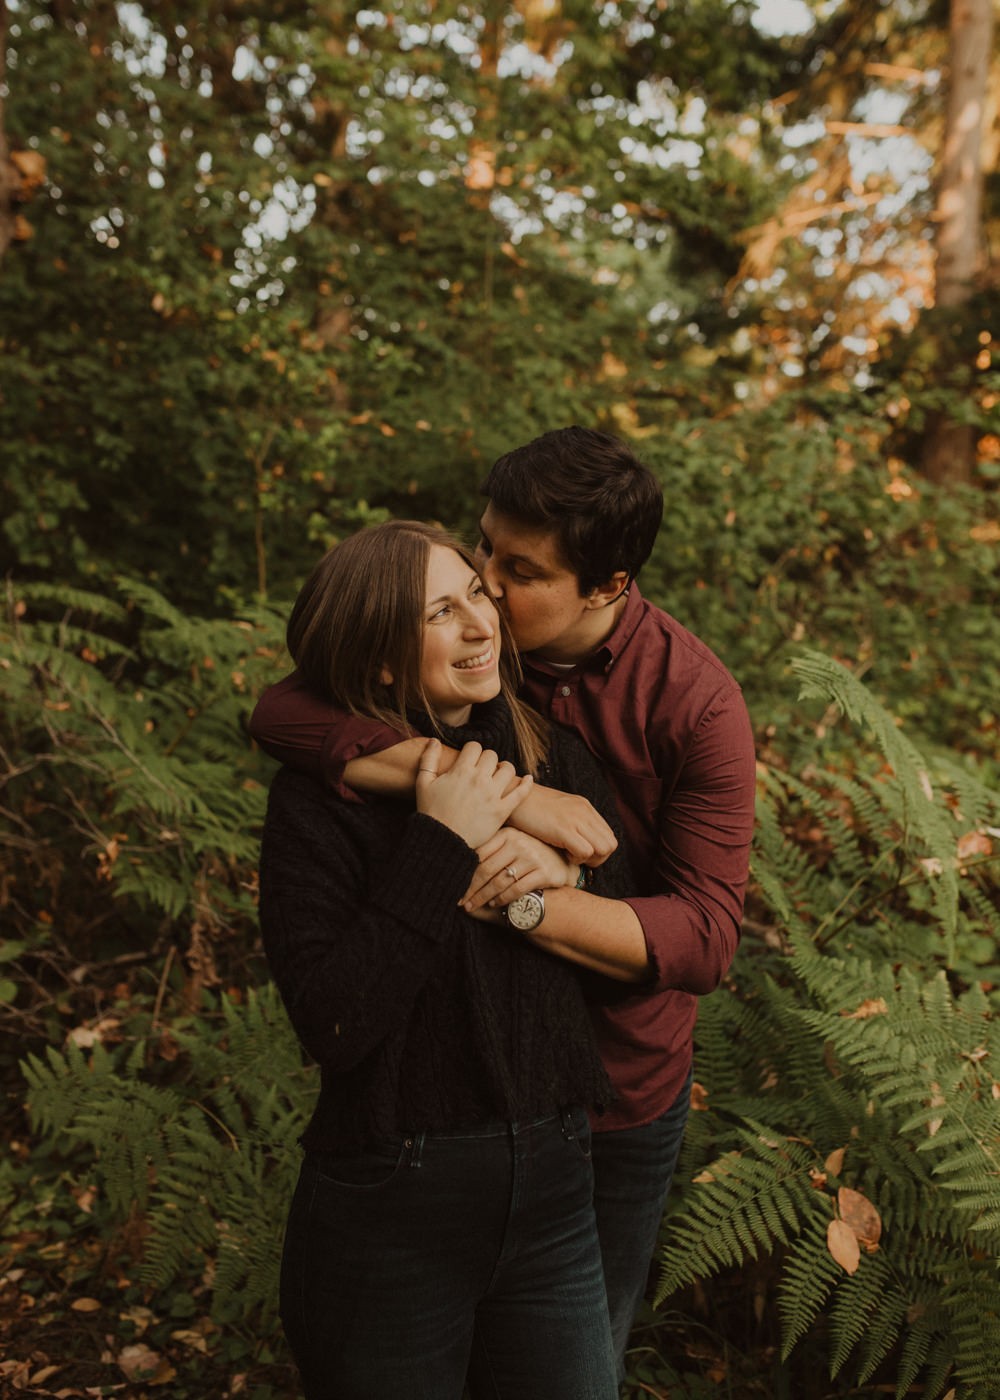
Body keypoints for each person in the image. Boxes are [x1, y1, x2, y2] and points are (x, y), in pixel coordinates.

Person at [251, 427, 757, 1382]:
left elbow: (705, 936)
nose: (487, 589)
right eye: (479, 556)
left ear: (605, 588)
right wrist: (499, 802)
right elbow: (283, 713)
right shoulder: (486, 689)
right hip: (421, 1134)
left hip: (605, 1101)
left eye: (509, 573)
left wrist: (526, 894)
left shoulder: (693, 705)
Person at [258, 520, 630, 1400]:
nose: (479, 623)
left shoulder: (552, 758)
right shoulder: (318, 806)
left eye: (476, 592)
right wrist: (441, 841)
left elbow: (627, 934)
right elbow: (336, 1026)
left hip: (553, 1196)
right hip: (392, 1206)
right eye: (439, 612)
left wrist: (558, 873)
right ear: (382, 657)